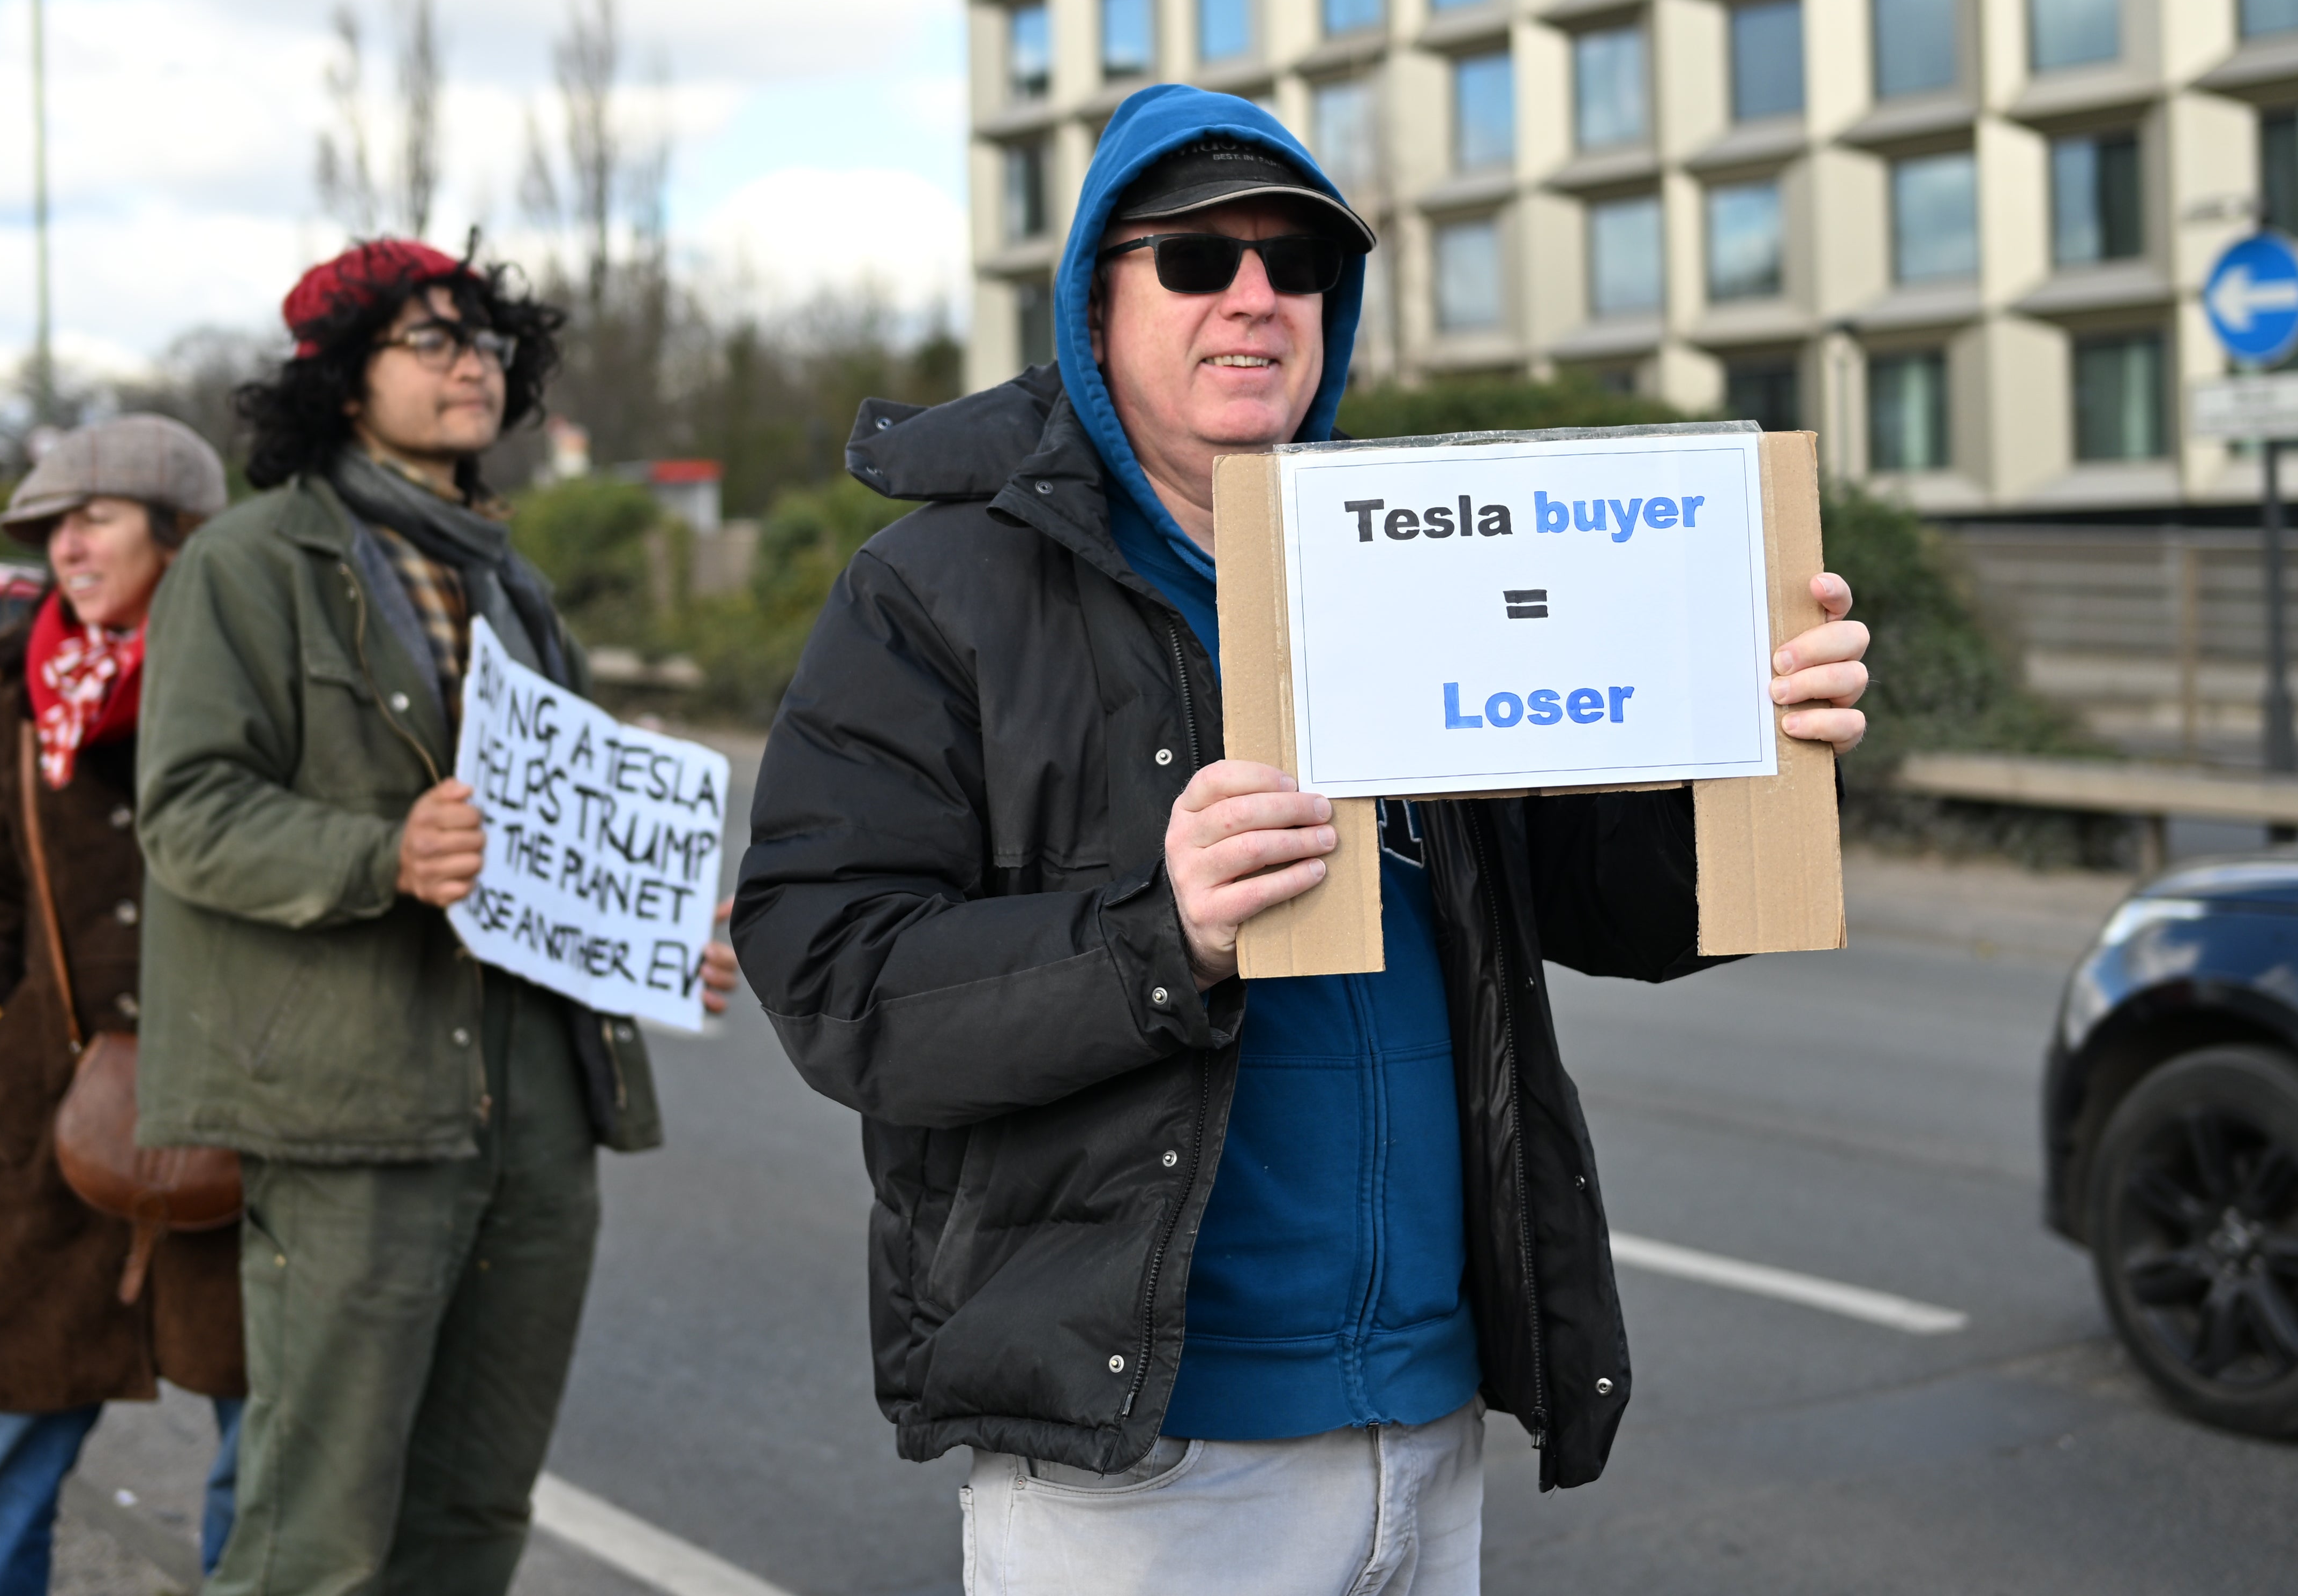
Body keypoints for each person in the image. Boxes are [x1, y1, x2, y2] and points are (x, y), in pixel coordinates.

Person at [731, 86, 1873, 1594]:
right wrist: (1163, 938)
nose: (1257, 297)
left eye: (1300, 264)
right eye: (1198, 260)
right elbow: (832, 975)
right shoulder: (936, 591)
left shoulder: (1424, 557)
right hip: (1151, 1464)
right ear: (1097, 294)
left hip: (1428, 1420)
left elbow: (1615, 910)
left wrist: (1750, 755)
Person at [132, 238, 739, 1596]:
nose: (475, 363)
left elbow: (556, 833)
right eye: (433, 340)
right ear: (345, 382)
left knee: (474, 1516)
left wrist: (650, 942)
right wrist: (379, 854)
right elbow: (187, 813)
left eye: (488, 341)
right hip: (352, 1108)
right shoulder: (248, 564)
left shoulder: (511, 579)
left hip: (533, 1105)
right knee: (318, 1537)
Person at [0, 414, 242, 1595]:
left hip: (239, 1112)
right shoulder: (19, 682)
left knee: (264, 1459)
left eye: (96, 516)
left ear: (180, 535)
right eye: (55, 524)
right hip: (51, 1117)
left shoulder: (251, 677)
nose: (67, 545)